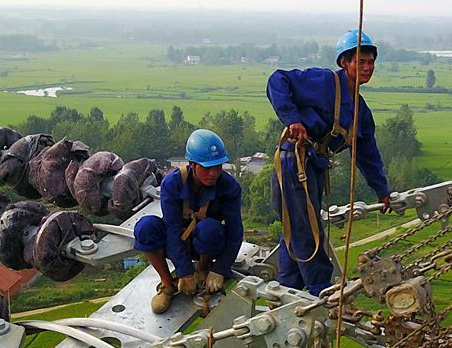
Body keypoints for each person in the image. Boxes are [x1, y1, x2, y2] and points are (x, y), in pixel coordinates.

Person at [267, 29, 391, 297]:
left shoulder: (360, 112)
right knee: (307, 229)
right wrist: (292, 119)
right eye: (361, 62)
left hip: (311, 167)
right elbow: (277, 80)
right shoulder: (323, 83)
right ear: (344, 63)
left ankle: (287, 289)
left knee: (296, 227)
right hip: (295, 162)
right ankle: (320, 291)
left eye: (371, 62)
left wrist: (381, 189)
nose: (368, 67)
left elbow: (368, 154)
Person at [134, 129, 243, 314]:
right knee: (145, 228)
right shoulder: (172, 183)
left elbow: (235, 232)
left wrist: (220, 269)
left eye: (218, 167)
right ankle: (168, 285)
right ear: (192, 164)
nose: (214, 173)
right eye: (207, 168)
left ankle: (202, 272)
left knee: (210, 228)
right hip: (177, 241)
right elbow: (172, 229)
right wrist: (184, 271)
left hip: (207, 242)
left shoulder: (229, 187)